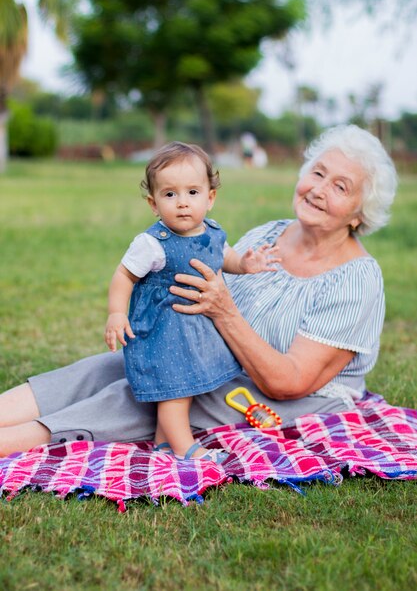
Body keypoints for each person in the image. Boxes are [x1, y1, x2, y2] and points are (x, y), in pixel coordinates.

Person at [0, 125, 398, 461]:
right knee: (119, 364)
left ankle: (16, 441)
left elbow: (290, 382)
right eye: (317, 173)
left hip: (283, 398)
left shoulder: (355, 279)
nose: (318, 189)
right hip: (217, 359)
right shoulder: (269, 235)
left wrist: (223, 313)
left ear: (360, 213)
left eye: (340, 186)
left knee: (151, 393)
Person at [104, 141, 279, 462]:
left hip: (194, 331)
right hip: (162, 330)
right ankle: (187, 448)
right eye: (170, 194)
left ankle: (163, 443)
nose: (182, 203)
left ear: (210, 198)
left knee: (184, 386)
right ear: (153, 203)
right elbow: (123, 276)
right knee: (176, 393)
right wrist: (117, 312)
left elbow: (224, 258)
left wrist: (245, 264)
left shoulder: (212, 232)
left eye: (192, 193)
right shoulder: (152, 244)